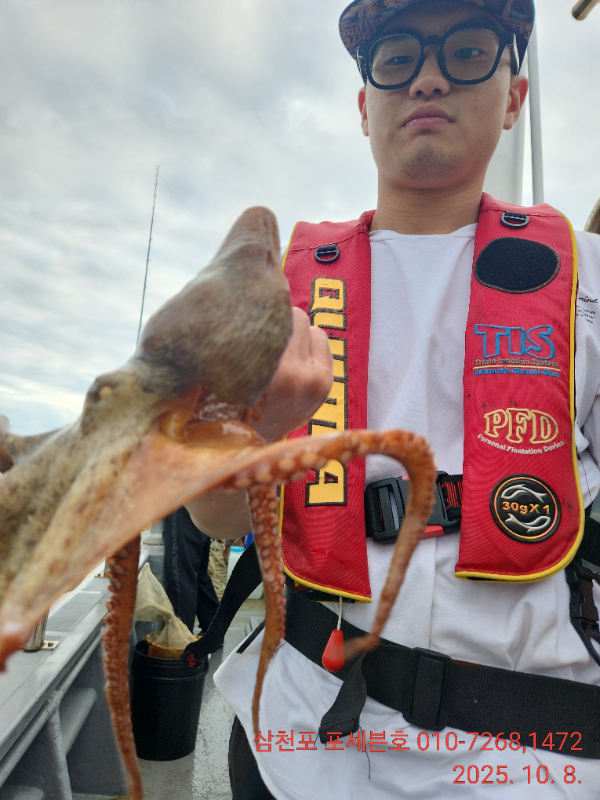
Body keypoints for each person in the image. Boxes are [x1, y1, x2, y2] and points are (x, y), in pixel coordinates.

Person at [187, 0, 600, 796]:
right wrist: (252, 436)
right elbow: (219, 520)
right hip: (297, 740)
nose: (430, 78)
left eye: (468, 52)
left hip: (535, 756)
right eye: (398, 57)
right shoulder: (276, 299)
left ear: (514, 96)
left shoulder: (588, 279)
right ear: (363, 105)